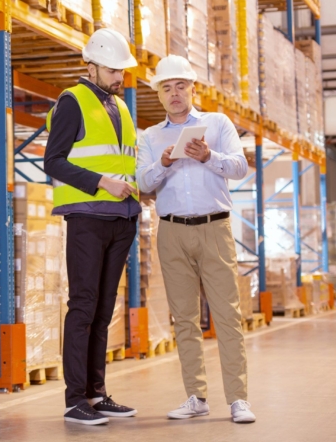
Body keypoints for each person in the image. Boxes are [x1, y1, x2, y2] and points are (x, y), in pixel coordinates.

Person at [136, 55, 256, 424]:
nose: (174, 94)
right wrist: (164, 164)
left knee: (227, 314)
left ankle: (238, 399)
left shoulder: (217, 124)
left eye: (180, 86)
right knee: (184, 319)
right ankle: (195, 395)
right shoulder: (151, 137)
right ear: (159, 94)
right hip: (171, 232)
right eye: (166, 88)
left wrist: (208, 156)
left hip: (214, 228)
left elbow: (240, 167)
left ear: (192, 88)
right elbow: (142, 184)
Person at [43, 28, 140, 426]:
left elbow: (122, 162)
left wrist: (138, 188)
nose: (119, 77)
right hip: (87, 218)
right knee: (83, 306)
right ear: (91, 66)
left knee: (103, 309)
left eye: (122, 70)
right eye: (113, 69)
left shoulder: (121, 106)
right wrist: (102, 182)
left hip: (123, 218)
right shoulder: (73, 101)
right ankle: (74, 399)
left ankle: (97, 394)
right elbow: (54, 161)